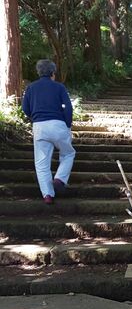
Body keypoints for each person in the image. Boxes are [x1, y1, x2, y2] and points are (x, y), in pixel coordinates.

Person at [22, 59, 76, 205]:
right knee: (68, 153)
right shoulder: (59, 87)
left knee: (42, 163)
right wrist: (67, 124)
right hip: (58, 124)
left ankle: (47, 195)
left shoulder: (31, 88)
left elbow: (25, 108)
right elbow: (68, 107)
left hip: (39, 126)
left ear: (38, 72)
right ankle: (59, 179)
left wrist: (34, 117)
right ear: (53, 73)